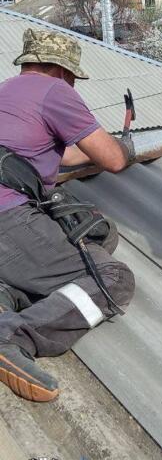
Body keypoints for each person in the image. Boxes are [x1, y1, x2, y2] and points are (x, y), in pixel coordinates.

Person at [0, 28, 136, 402]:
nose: (74, 86)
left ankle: (5, 293)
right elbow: (112, 160)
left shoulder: (8, 92)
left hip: (7, 222)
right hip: (6, 219)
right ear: (60, 70)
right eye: (73, 77)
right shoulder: (55, 91)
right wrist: (125, 148)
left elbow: (62, 157)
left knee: (97, 234)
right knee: (113, 277)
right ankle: (12, 335)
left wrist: (106, 149)